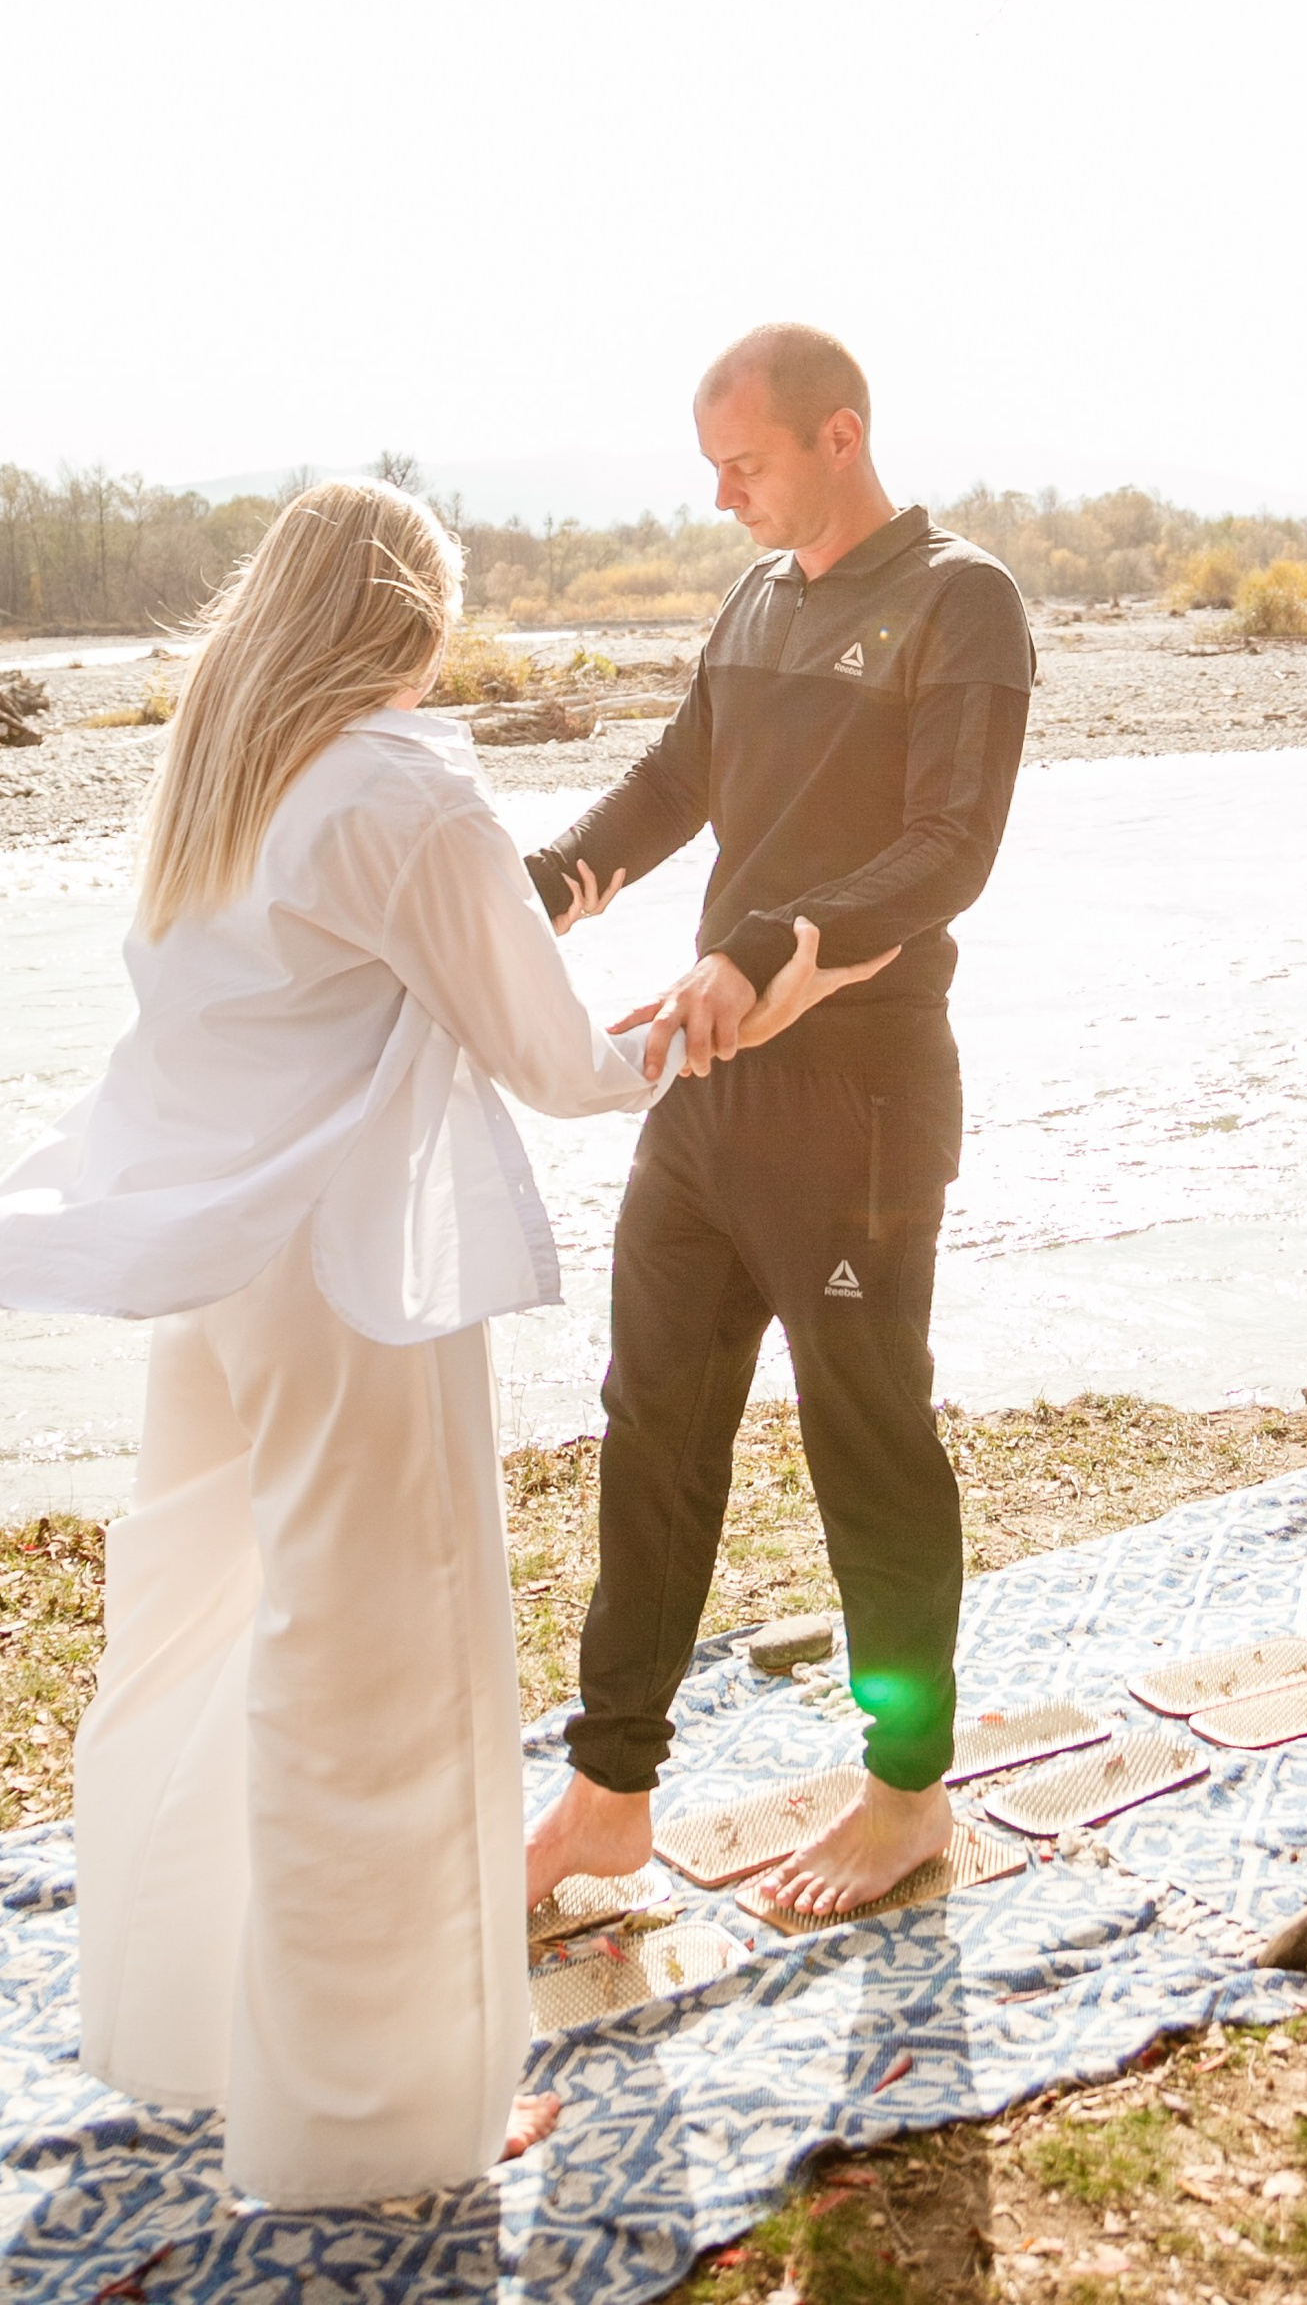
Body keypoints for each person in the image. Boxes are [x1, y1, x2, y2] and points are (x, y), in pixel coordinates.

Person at [0, 477, 876, 2206]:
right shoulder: (399, 781)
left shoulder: (224, 766)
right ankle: (381, 2118)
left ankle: (195, 2026)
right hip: (344, 1285)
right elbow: (559, 1065)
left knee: (208, 1628)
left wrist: (527, 932)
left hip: (218, 1272)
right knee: (383, 1677)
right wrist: (735, 1009)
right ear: (413, 618)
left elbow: (356, 977)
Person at [522, 325, 1035, 1922]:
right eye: (712, 468)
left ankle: (908, 1790)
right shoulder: (754, 601)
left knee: (864, 1435)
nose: (723, 495)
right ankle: (610, 1793)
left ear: (840, 437)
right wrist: (532, 895)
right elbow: (672, 787)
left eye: (742, 463)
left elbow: (951, 850)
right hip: (709, 1089)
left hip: (860, 1100)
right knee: (653, 1426)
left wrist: (760, 948)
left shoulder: (961, 601)